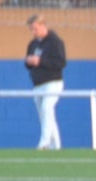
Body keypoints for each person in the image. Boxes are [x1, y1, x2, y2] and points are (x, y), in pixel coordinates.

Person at [24, 15, 66, 152]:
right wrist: (29, 61)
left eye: (35, 29)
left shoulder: (55, 42)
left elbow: (61, 62)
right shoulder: (33, 44)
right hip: (38, 84)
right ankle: (55, 146)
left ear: (43, 26)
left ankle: (44, 143)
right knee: (45, 115)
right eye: (31, 29)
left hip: (53, 82)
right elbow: (28, 62)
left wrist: (40, 61)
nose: (33, 32)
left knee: (47, 107)